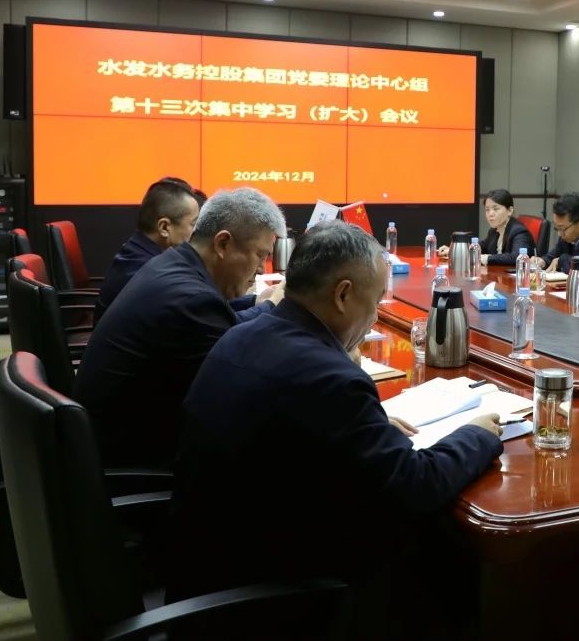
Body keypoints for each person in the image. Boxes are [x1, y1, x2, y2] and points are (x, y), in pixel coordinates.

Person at [166, 221, 502, 632]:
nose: (374, 316)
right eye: (374, 301)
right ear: (342, 295)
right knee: (443, 557)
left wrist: (368, 428)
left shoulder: (242, 335)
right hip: (265, 601)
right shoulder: (330, 378)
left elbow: (296, 434)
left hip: (203, 568)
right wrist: (477, 434)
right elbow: (416, 485)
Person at [74, 187, 286, 468]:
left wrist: (259, 302)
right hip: (135, 461)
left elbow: (218, 318)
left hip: (114, 440)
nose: (260, 268)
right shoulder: (190, 300)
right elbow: (241, 376)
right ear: (223, 244)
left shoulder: (173, 264)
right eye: (260, 255)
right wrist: (275, 309)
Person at [94, 177, 200, 323]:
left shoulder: (136, 251)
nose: (196, 231)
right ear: (164, 227)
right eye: (193, 224)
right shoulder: (148, 273)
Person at [477, 188, 535, 266]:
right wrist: (472, 248)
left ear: (510, 211)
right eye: (487, 210)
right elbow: (484, 246)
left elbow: (517, 257)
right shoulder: (493, 230)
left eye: (495, 209)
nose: (490, 214)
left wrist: (487, 258)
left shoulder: (519, 231)